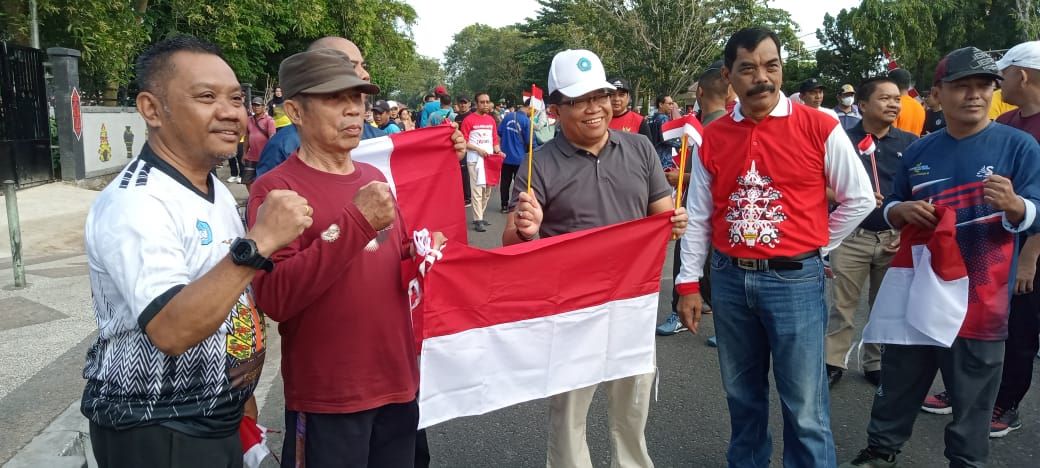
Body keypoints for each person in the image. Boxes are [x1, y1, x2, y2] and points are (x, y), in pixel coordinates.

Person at [83, 35, 310, 468]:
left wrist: (241, 398)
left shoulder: (212, 189)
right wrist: (259, 243)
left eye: (236, 98)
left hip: (215, 416)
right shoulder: (137, 203)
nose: (230, 112)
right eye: (206, 97)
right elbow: (171, 331)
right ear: (151, 109)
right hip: (160, 427)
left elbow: (231, 296)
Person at [675, 27, 875, 467]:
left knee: (804, 406)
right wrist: (687, 283)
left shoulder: (819, 126)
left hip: (795, 282)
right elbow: (700, 216)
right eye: (748, 69)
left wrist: (818, 245)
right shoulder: (715, 137)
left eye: (771, 66)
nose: (761, 78)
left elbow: (859, 198)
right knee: (741, 395)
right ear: (730, 76)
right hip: (729, 280)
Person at [842, 46, 1040, 468]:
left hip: (981, 302)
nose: (974, 95)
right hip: (918, 291)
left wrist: (1017, 206)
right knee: (899, 382)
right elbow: (890, 205)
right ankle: (881, 451)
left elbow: (1037, 211)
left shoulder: (1019, 147)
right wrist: (900, 211)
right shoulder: (919, 150)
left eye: (984, 86)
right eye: (961, 86)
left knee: (973, 400)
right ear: (937, 94)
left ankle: (967, 461)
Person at [248, 48, 445, 468]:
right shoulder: (275, 190)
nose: (353, 110)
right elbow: (275, 298)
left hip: (398, 383)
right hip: (330, 397)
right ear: (295, 111)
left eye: (357, 98)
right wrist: (354, 223)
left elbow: (397, 260)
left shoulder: (374, 178)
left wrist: (425, 251)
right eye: (335, 99)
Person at [503, 48, 687, 468]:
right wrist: (525, 228)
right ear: (554, 109)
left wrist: (676, 221)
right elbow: (511, 241)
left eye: (600, 96)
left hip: (632, 304)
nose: (595, 108)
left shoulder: (640, 149)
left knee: (632, 411)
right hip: (570, 311)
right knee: (569, 416)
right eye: (579, 100)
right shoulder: (537, 164)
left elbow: (662, 217)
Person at [824, 76, 917, 389]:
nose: (893, 104)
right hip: (851, 237)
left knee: (885, 306)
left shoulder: (909, 143)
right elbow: (815, 183)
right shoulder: (840, 140)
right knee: (842, 305)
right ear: (862, 105)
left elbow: (917, 193)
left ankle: (874, 361)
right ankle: (833, 361)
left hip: (893, 237)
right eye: (885, 98)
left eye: (896, 99)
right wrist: (844, 195)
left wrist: (907, 232)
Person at [656, 59, 735, 337]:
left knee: (704, 263)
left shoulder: (717, 129)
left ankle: (720, 321)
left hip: (706, 210)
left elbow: (719, 177)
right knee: (709, 264)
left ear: (699, 92)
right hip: (712, 210)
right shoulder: (705, 125)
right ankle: (722, 321)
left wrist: (679, 178)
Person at [461, 92, 501, 232]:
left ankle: (481, 215)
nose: (485, 104)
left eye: (487, 101)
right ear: (476, 104)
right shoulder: (468, 120)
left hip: (490, 161)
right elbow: (464, 142)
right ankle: (478, 219)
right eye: (482, 102)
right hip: (475, 160)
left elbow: (494, 140)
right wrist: (477, 149)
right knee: (477, 190)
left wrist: (498, 151)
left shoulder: (491, 120)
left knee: (487, 191)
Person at [497, 98, 534, 214]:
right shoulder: (527, 121)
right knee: (519, 184)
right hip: (519, 158)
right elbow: (529, 141)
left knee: (505, 182)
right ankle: (516, 206)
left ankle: (504, 205)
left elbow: (499, 132)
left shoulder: (508, 116)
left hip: (505, 156)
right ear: (530, 107)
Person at [243, 96, 276, 190]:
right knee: (247, 180)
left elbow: (272, 139)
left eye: (258, 105)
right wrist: (244, 153)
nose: (256, 107)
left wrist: (271, 156)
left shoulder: (269, 120)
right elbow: (247, 137)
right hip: (251, 156)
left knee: (265, 180)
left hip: (264, 157)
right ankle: (253, 199)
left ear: (263, 107)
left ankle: (263, 199)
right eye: (254, 105)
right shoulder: (249, 120)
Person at [889, 68, 926, 136]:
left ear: (891, 84)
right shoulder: (920, 107)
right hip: (915, 145)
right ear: (909, 85)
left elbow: (890, 134)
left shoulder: (893, 105)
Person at [647, 94, 680, 170]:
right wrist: (681, 142)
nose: (672, 106)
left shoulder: (651, 118)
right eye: (669, 104)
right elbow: (667, 139)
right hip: (663, 161)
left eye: (672, 103)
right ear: (661, 104)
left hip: (652, 158)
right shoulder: (663, 118)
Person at [455, 95, 474, 207]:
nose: (463, 105)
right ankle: (463, 196)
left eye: (465, 103)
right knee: (461, 173)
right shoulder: (457, 117)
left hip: (470, 147)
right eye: (461, 103)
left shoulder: (471, 117)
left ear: (469, 104)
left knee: (466, 173)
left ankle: (468, 198)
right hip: (459, 147)